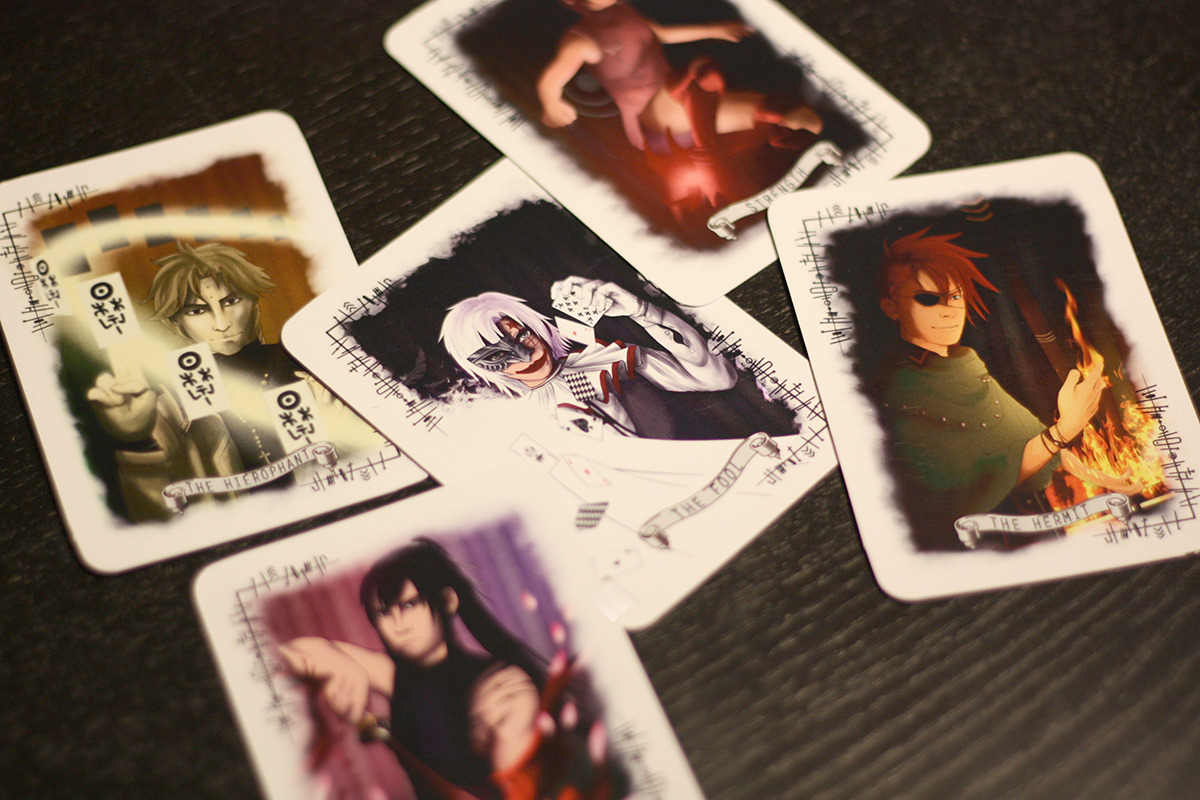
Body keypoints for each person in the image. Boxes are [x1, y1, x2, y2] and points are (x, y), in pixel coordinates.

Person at [279, 539, 613, 800]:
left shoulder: (500, 680)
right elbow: (290, 654)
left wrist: (506, 734)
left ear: (448, 601)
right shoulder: (396, 675)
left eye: (409, 605)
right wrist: (340, 663)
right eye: (383, 613)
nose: (397, 624)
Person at [875, 229, 1141, 549]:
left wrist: (1105, 479)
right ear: (891, 307)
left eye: (955, 296)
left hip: (1034, 523)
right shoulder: (903, 387)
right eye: (928, 299)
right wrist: (1064, 429)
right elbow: (973, 487)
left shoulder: (965, 362)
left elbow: (1027, 438)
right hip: (983, 541)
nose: (948, 310)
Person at [86, 241, 305, 519]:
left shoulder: (301, 358)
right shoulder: (172, 399)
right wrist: (136, 441)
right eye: (196, 311)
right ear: (177, 322)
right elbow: (157, 508)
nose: (222, 324)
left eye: (231, 302)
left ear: (254, 301)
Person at [439, 277, 737, 438]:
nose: (525, 353)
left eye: (522, 335)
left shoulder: (602, 360)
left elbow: (717, 378)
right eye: (498, 353)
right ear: (482, 366)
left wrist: (643, 311)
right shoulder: (518, 422)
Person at [536, 0, 822, 154]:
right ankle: (707, 151)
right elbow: (550, 81)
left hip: (679, 102)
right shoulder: (581, 41)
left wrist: (714, 30)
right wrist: (551, 106)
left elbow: (663, 34)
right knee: (700, 72)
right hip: (650, 120)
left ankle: (786, 130)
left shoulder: (623, 10)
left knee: (783, 114)